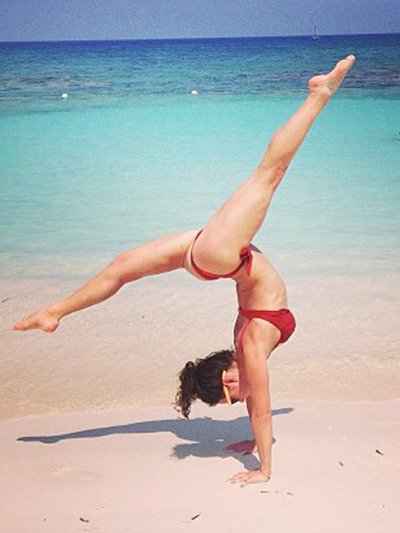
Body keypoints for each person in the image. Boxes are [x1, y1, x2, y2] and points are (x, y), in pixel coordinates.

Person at [13, 55, 356, 485]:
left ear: (229, 377)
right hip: (208, 257)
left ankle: (319, 95)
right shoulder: (247, 348)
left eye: (229, 398)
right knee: (121, 269)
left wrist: (264, 470)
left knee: (270, 173)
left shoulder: (250, 348)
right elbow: (258, 404)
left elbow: (262, 411)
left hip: (219, 257)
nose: (238, 402)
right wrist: (253, 444)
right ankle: (55, 312)